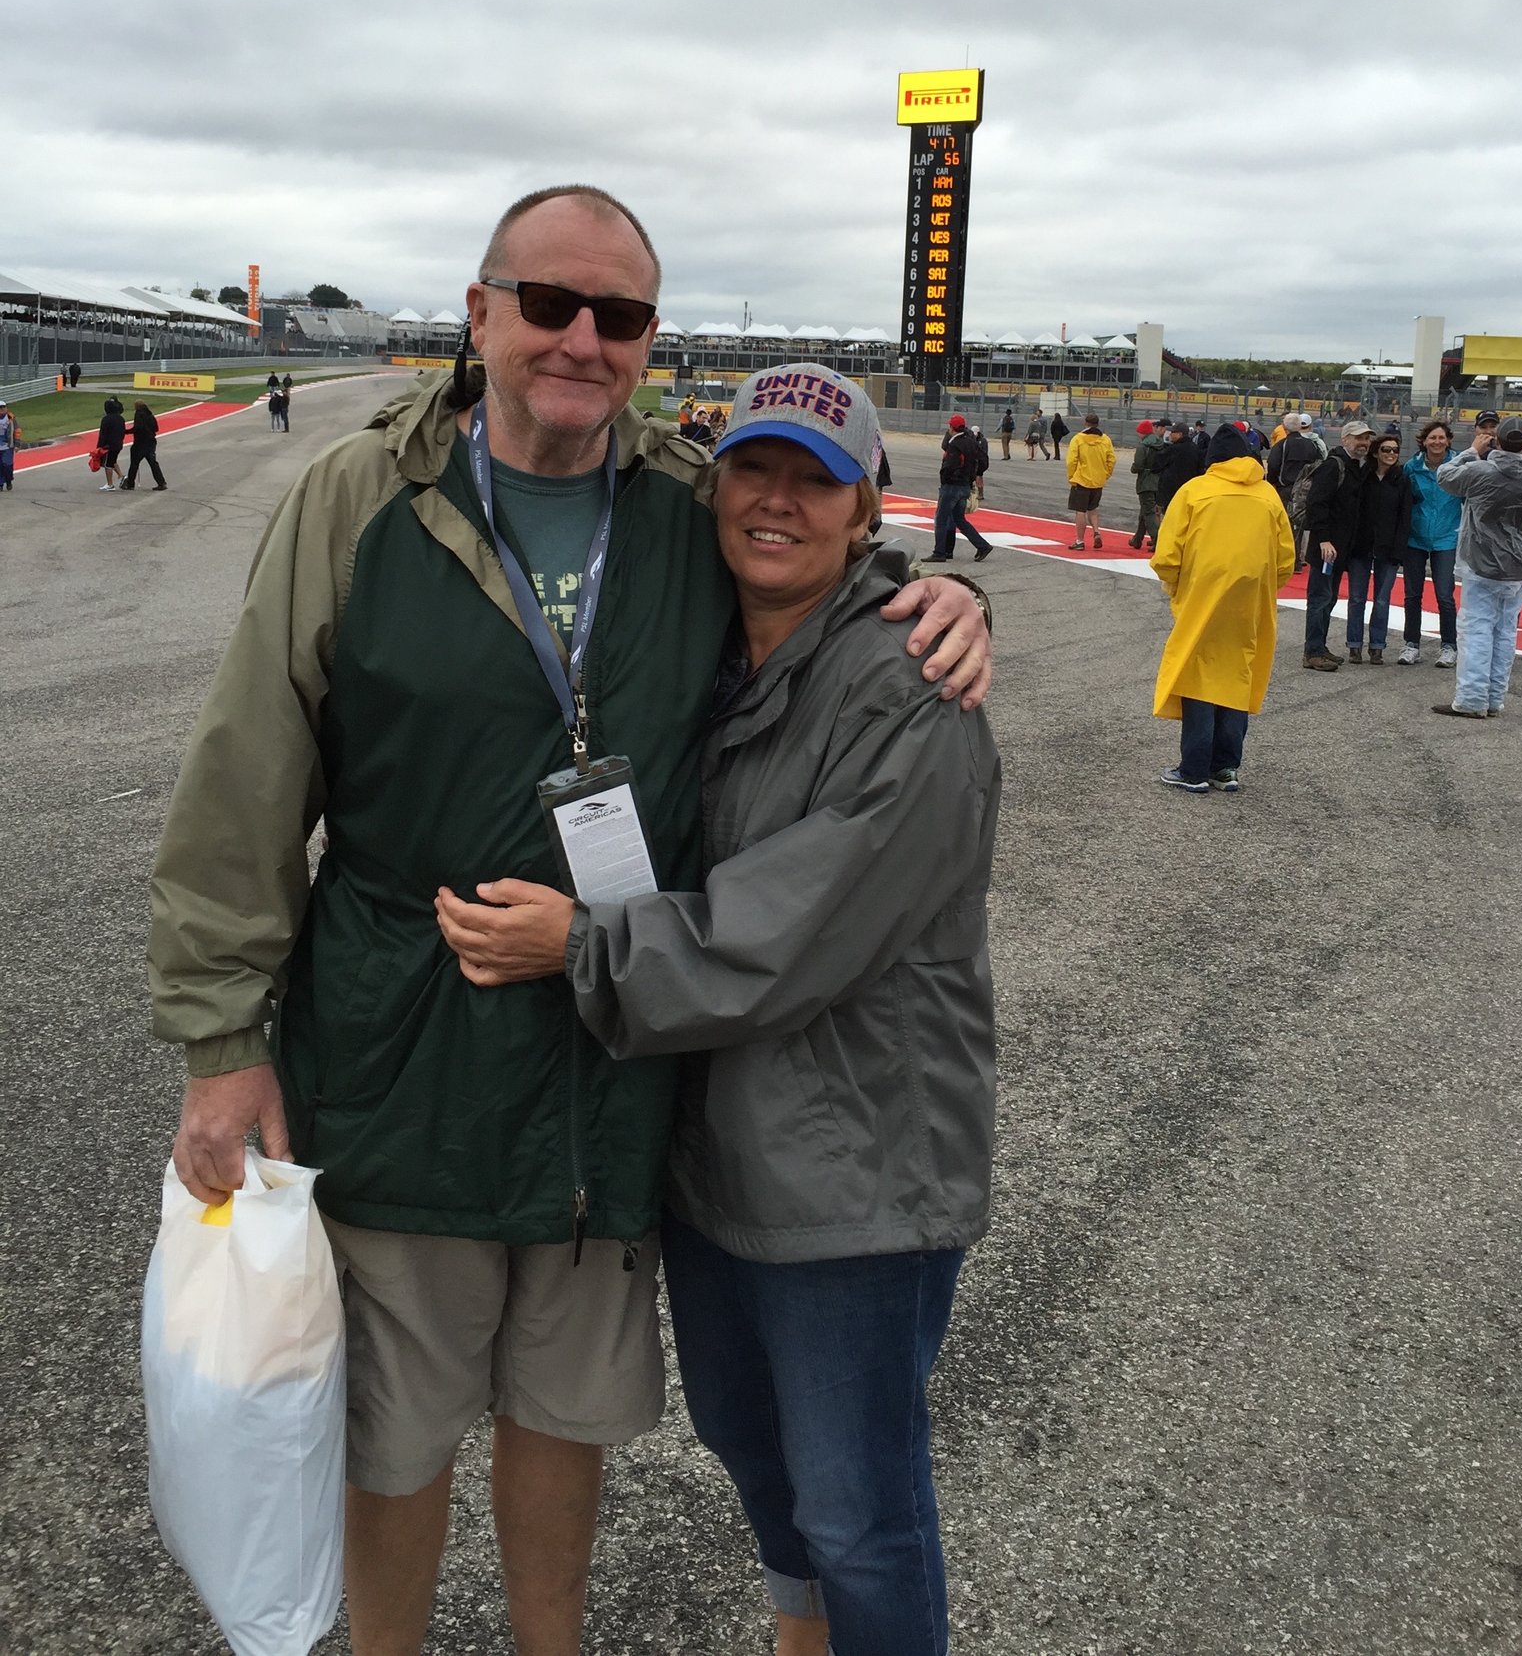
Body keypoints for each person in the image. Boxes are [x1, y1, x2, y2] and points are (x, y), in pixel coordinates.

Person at [146, 185, 991, 1656]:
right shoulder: (359, 499)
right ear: (480, 315)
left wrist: (956, 599)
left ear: (650, 343)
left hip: (614, 1070)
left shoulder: (680, 502)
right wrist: (223, 1036)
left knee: (563, 1413)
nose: (582, 340)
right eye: (549, 304)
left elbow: (833, 582)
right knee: (395, 1430)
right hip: (404, 1047)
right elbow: (247, 771)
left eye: (620, 317)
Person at [434, 367, 1000, 1656]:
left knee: (860, 1509)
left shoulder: (910, 685)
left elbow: (786, 931)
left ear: (867, 511)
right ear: (715, 482)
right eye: (754, 469)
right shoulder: (710, 650)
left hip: (856, 1171)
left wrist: (579, 947)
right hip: (719, 1152)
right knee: (754, 1455)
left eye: (816, 481)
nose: (776, 503)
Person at [1149, 424, 1296, 793]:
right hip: (1251, 601)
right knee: (1237, 675)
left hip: (1202, 594)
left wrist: (1177, 586)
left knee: (1199, 675)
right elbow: (1285, 560)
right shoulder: (1267, 494)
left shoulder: (1195, 490)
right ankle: (1225, 768)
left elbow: (1167, 555)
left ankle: (1193, 769)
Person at [1433, 416, 1522, 719]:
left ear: (1497, 441)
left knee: (1476, 631)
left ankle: (1471, 700)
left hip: (1481, 563)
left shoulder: (1480, 471)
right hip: (1519, 566)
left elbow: (1445, 475)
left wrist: (1473, 450)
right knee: (1505, 632)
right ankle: (1493, 698)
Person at [1301, 419, 1373, 670]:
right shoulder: (1333, 466)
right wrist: (1323, 539)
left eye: (1366, 439)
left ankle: (1319, 646)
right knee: (1320, 597)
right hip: (1327, 548)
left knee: (1328, 598)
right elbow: (1316, 504)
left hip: (1340, 547)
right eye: (1358, 438)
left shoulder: (1356, 466)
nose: (1363, 443)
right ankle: (1312, 652)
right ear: (1345, 440)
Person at [1344, 432, 1412, 663]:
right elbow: (1353, 512)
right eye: (1386, 449)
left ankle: (1377, 646)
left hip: (1388, 548)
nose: (1391, 454)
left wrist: (1399, 551)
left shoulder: (1402, 480)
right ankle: (1354, 645)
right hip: (1361, 547)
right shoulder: (1364, 477)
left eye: (1395, 450)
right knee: (1356, 598)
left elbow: (1405, 518)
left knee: (1382, 599)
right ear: (1376, 452)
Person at [1398, 418, 1460, 668]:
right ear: (1424, 441)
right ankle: (1411, 644)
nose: (1437, 442)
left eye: (1441, 438)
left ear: (1448, 441)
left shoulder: (1459, 465)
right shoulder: (1411, 468)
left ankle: (1449, 646)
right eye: (1432, 438)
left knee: (1444, 594)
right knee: (1412, 595)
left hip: (1447, 537)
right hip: (1416, 537)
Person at [930, 414, 993, 563]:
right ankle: (982, 545)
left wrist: (945, 478)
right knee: (959, 519)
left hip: (952, 486)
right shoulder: (972, 442)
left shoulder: (954, 444)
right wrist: (975, 476)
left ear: (951, 428)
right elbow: (983, 460)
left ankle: (939, 552)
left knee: (941, 519)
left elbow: (950, 465)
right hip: (965, 485)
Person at [1266, 414, 1324, 571]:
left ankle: (1292, 560)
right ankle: (1301, 558)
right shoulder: (1312, 445)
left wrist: (1272, 481)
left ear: (1284, 428)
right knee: (1302, 525)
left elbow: (1273, 464)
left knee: (1287, 524)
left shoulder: (1282, 445)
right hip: (1307, 488)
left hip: (1287, 488)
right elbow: (1319, 464)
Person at [1065, 413, 1115, 550]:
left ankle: (1080, 541)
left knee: (1080, 511)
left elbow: (1071, 461)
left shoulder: (1078, 439)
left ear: (1085, 423)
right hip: (1098, 480)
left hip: (1082, 479)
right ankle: (1096, 532)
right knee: (1093, 509)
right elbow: (1111, 460)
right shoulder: (1105, 439)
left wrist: (1071, 477)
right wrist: (1105, 475)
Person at [1128, 419, 1168, 551]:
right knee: (1145, 511)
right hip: (1158, 481)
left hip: (1145, 482)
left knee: (1149, 512)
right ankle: (1137, 539)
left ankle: (1157, 539)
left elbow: (1138, 465)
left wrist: (1133, 469)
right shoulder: (1160, 444)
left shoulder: (1143, 446)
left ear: (1142, 432)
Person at [121, 401, 169, 491]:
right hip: (151, 442)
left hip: (140, 442)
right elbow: (156, 428)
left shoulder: (139, 414)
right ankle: (161, 482)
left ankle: (130, 483)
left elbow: (138, 427)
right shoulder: (150, 415)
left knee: (134, 463)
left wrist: (126, 431)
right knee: (153, 463)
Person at [1157, 421, 1203, 510]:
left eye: (1173, 432)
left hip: (1171, 493)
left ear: (1179, 434)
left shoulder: (1173, 449)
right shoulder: (1195, 449)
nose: (1170, 434)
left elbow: (1157, 465)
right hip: (1189, 491)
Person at [96, 398, 127, 492]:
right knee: (113, 460)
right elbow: (123, 432)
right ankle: (121, 476)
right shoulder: (121, 418)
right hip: (118, 444)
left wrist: (99, 446)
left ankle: (110, 484)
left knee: (108, 464)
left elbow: (103, 434)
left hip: (108, 445)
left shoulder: (106, 419)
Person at [0, 401, 18, 491]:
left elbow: (17, 431)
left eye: (4, 407)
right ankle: (0, 483)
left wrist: (17, 444)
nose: (2, 409)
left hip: (7, 446)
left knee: (7, 465)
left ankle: (8, 481)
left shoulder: (10, 418)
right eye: (0, 407)